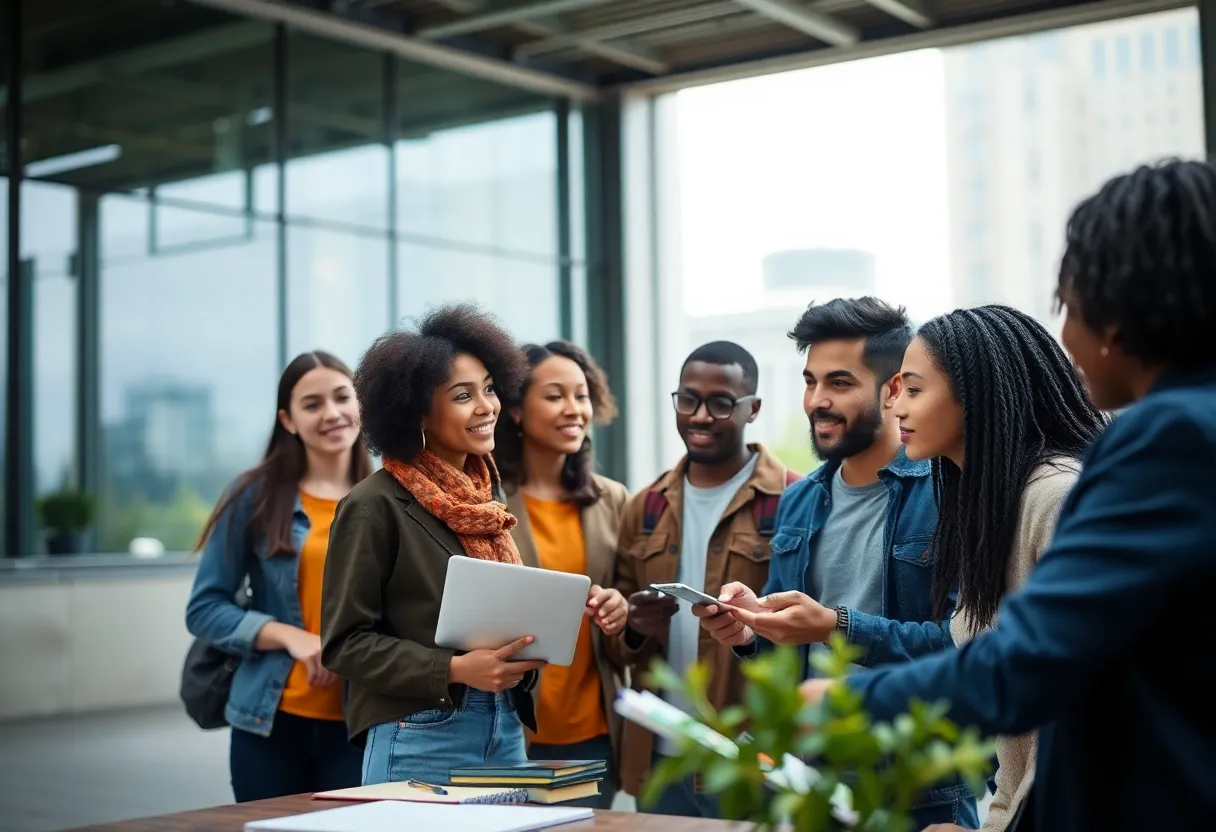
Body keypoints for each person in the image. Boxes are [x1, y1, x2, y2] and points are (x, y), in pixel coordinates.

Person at [801, 159, 1216, 832]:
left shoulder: (1161, 440)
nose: (1068, 337)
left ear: (1121, 307)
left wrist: (854, 702)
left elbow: (1036, 662)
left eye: (1069, 304)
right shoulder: (984, 502)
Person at [695, 298, 978, 829]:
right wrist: (748, 632)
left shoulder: (949, 495)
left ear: (894, 389)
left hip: (919, 788)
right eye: (810, 381)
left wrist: (836, 626)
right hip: (810, 785)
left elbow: (963, 648)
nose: (816, 401)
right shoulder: (801, 500)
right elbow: (786, 660)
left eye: (840, 383)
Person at [894, 305, 1104, 831]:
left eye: (914, 390)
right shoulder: (985, 504)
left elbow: (1080, 714)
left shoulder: (1056, 497)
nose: (895, 405)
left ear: (976, 394)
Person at [319, 304, 547, 787]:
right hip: (421, 733)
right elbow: (345, 645)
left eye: (488, 388)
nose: (487, 406)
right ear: (418, 410)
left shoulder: (488, 499)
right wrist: (455, 669)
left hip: (504, 726)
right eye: (463, 396)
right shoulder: (371, 506)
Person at [609, 341, 799, 818]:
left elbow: (813, 639)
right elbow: (614, 646)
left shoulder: (795, 499)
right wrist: (634, 626)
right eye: (688, 399)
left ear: (752, 408)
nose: (699, 415)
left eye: (720, 403)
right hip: (661, 759)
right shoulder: (645, 506)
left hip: (750, 761)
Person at [185, 350, 373, 802]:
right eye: (312, 404)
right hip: (268, 722)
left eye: (342, 397)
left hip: (361, 725)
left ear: (360, 406)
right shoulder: (254, 495)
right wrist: (291, 636)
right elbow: (205, 609)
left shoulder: (391, 498)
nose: (332, 413)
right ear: (288, 420)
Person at [494, 340, 630, 809]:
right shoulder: (484, 502)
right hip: (506, 732)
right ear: (515, 410)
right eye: (554, 396)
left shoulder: (613, 500)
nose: (574, 409)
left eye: (582, 395)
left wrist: (621, 608)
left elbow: (631, 614)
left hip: (589, 732)